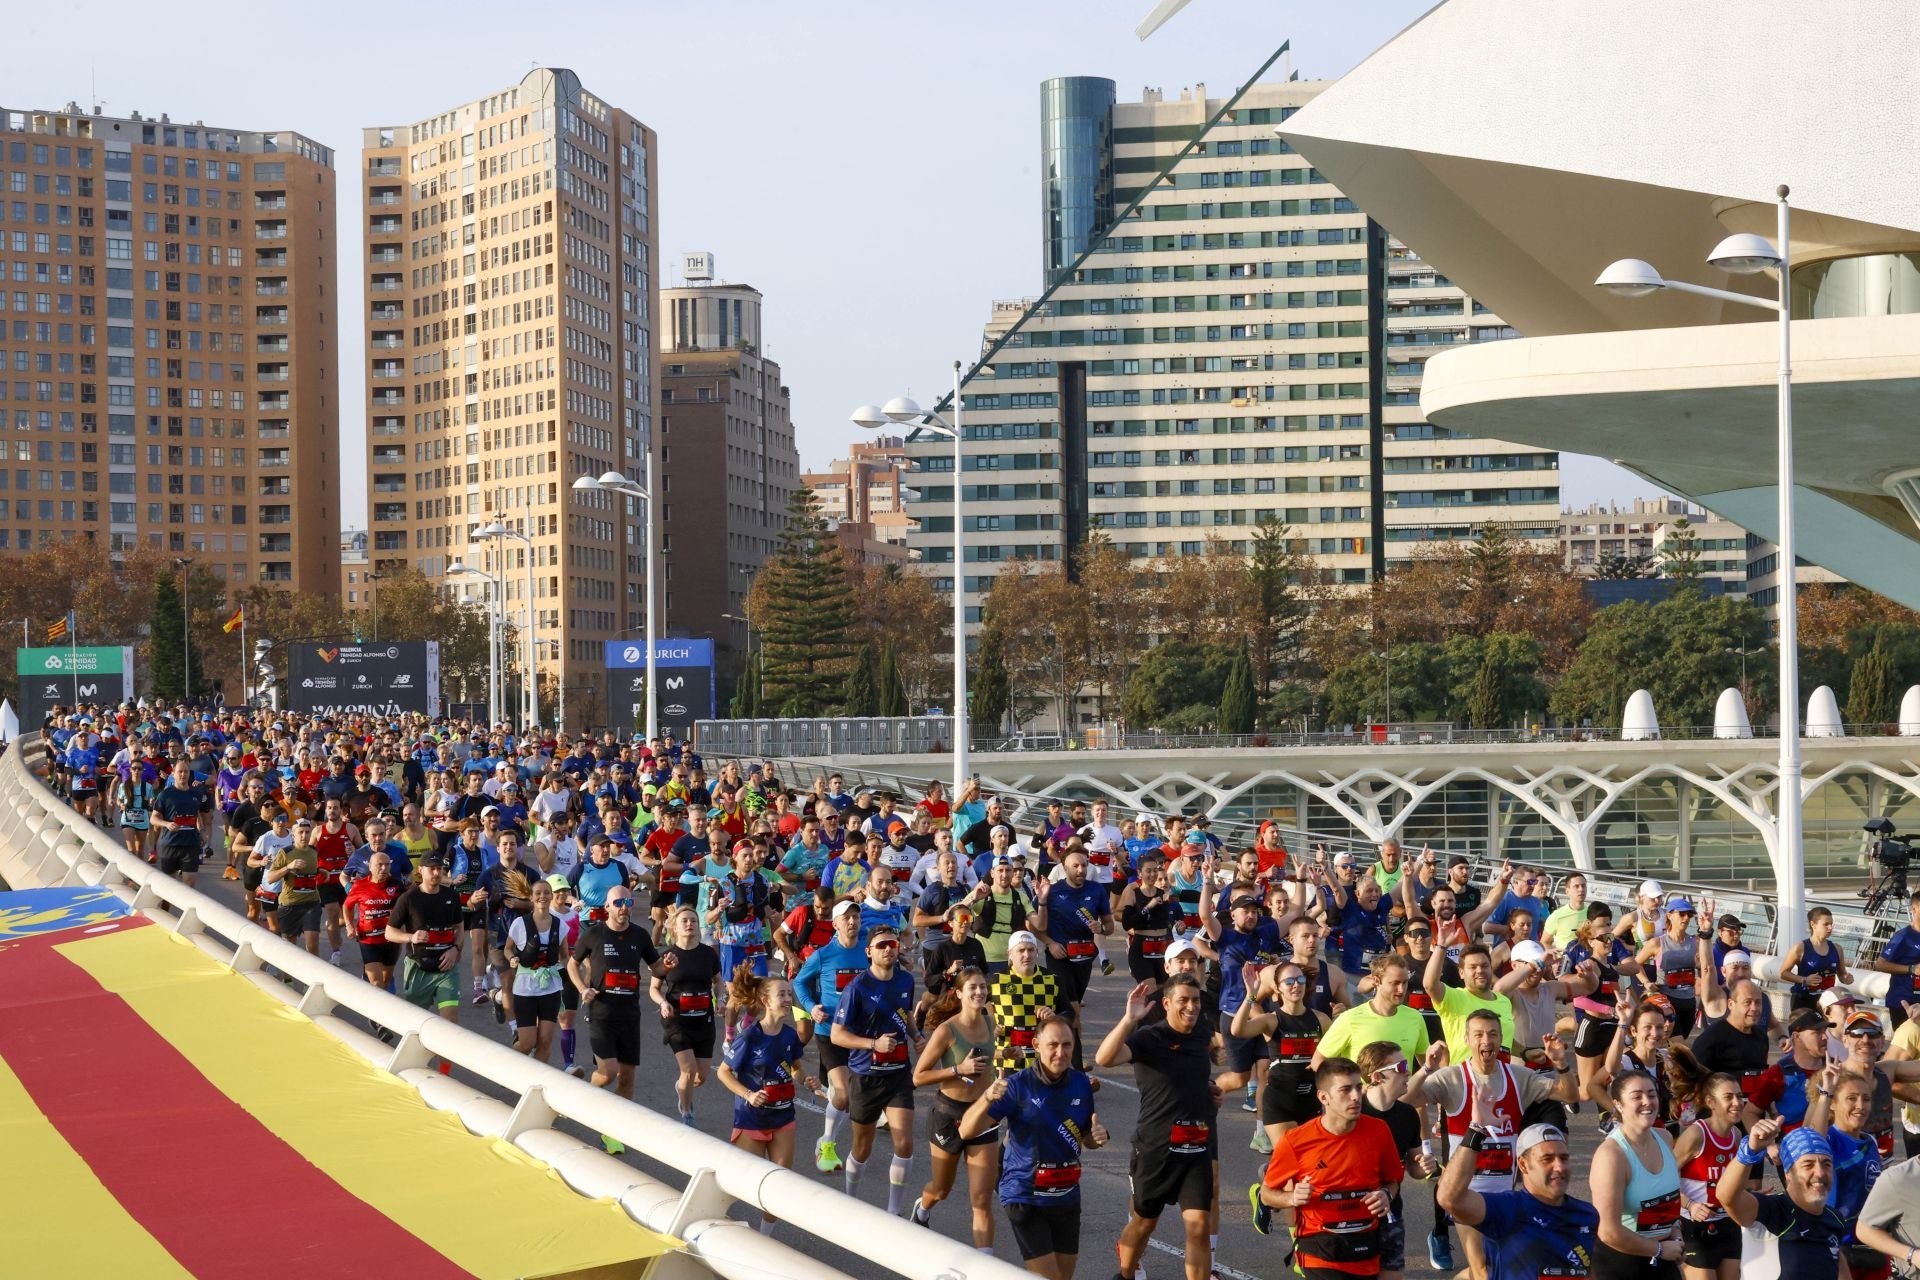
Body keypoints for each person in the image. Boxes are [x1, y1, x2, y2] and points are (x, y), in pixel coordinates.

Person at [1406, 1010, 1580, 1280]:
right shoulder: (1452, 1078)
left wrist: (1561, 1064)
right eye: (1478, 1034)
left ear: (1500, 1039)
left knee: (1496, 1268)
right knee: (1484, 1271)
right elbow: (1405, 1099)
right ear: (1467, 1039)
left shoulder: (1519, 1077)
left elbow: (1569, 1094)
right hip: (1466, 1194)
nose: (1486, 1040)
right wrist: (1427, 1068)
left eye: (1492, 1034)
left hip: (1506, 1198)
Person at [960, 1015, 1103, 1280]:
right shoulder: (1017, 1086)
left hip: (1067, 1195)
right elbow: (966, 1130)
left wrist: (1097, 1137)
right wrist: (986, 1097)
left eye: (1067, 1045)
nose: (1060, 1052)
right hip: (1025, 1194)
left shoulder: (1082, 1084)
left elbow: (1085, 1138)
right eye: (1053, 1045)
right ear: (1036, 1044)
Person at [1098, 975, 1221, 1280]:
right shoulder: (1149, 1038)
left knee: (1199, 1227)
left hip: (1196, 1149)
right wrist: (1129, 1019)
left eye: (1195, 1000)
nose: (1192, 1006)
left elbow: (1186, 1077)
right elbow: (1104, 1058)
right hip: (1156, 1150)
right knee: (1144, 1224)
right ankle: (1125, 1274)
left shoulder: (1201, 1035)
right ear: (1166, 1003)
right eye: (1184, 1000)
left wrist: (1207, 1090)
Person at [1259, 1055, 1406, 1280]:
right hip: (1319, 1248)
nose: (1356, 1096)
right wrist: (1291, 1198)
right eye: (1345, 1090)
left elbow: (1393, 1180)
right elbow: (1268, 1195)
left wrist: (1386, 1194)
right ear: (1323, 1097)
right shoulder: (1296, 1140)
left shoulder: (1379, 1130)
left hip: (1367, 1245)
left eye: (1358, 1087)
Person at [1437, 1106, 1601, 1280]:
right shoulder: (1506, 1209)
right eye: (1547, 1159)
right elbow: (1449, 1198)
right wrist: (1476, 1130)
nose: (1559, 1167)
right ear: (1523, 1164)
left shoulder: (1587, 1214)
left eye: (1564, 1158)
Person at [830, 923, 920, 1215]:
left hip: (898, 1074)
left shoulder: (905, 981)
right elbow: (837, 1035)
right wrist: (873, 1044)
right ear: (869, 952)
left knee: (905, 1143)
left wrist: (916, 1036)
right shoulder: (857, 988)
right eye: (882, 945)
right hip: (866, 1075)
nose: (888, 949)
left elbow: (903, 1014)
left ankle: (893, 1213)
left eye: (892, 944)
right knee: (862, 1148)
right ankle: (850, 1201)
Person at [716, 971, 814, 1237]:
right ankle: (718, 1224)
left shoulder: (790, 1036)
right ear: (765, 1000)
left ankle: (764, 1238)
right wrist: (748, 1095)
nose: (787, 998)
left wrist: (807, 1081)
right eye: (781, 994)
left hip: (783, 1117)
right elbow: (723, 1072)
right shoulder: (749, 1037)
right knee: (743, 1182)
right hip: (752, 1119)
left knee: (779, 1184)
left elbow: (794, 1068)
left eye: (789, 994)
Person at [567, 886, 661, 1154]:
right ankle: (584, 1097)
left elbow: (657, 968)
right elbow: (573, 963)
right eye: (618, 902)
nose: (624, 906)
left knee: (628, 1076)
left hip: (630, 1014)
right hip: (601, 1012)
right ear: (607, 907)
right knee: (607, 1072)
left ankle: (612, 1131)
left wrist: (669, 963)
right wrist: (583, 988)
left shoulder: (640, 935)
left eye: (628, 901)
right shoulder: (595, 933)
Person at [909, 966, 997, 1245]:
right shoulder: (947, 1030)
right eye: (972, 987)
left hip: (983, 1115)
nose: (979, 992)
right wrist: (958, 1069)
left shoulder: (993, 1021)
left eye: (983, 986)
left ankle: (985, 1265)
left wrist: (1006, 1053)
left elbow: (991, 1058)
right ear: (958, 993)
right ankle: (921, 1210)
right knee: (941, 1189)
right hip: (949, 1116)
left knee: (981, 1199)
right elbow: (918, 1076)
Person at [792, 899, 871, 1174]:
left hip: (860, 1032)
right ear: (835, 924)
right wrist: (811, 1006)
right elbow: (799, 981)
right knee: (843, 1093)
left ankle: (829, 1139)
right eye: (846, 918)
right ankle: (827, 1143)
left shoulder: (867, 951)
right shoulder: (823, 955)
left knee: (851, 1096)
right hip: (830, 1032)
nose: (852, 922)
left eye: (855, 917)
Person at [1716, 1117, 1846, 1280]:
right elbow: (1726, 1196)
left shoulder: (1834, 1219)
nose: (1820, 1173)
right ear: (1788, 1174)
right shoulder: (1772, 1210)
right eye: (1808, 1165)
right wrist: (1749, 1151)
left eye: (1826, 1164)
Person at [1589, 1070, 1684, 1280]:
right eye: (1636, 1096)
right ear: (1619, 1105)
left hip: (1664, 1255)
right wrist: (1657, 1250)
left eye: (1651, 1095)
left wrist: (1675, 1232)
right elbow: (1608, 1231)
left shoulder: (1665, 1138)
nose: (1647, 1102)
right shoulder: (1611, 1156)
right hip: (1621, 1263)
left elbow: (1668, 1200)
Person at [1234, 961, 1334, 1159]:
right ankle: (1269, 1188)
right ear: (1277, 988)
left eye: (1300, 979)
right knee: (1289, 1158)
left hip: (1310, 1100)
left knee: (1310, 1161)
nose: (1296, 985)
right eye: (1289, 981)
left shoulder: (1321, 1019)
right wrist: (1250, 995)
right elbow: (1238, 1030)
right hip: (1279, 1102)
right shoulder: (1271, 1020)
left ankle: (1268, 1183)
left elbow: (1333, 1055)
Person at [651, 904, 722, 1127]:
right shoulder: (667, 956)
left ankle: (683, 1087)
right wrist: (663, 1002)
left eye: (693, 920)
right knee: (689, 1070)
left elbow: (718, 981)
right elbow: (653, 988)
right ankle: (687, 1113)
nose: (690, 924)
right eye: (685, 921)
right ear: (675, 926)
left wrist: (719, 999)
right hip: (677, 1020)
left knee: (700, 1076)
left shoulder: (708, 953)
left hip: (704, 1019)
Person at [1672, 1072, 1745, 1280]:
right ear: (1710, 1102)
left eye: (1739, 1096)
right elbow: (1664, 1179)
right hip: (1694, 1227)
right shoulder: (1697, 1135)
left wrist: (1749, 1194)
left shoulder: (1736, 1136)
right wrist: (1690, 1205)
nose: (1737, 1103)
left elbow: (1730, 1181)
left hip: (1728, 1223)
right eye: (1728, 1097)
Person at [386, 852, 465, 1027]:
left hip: (447, 969)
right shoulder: (409, 898)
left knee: (450, 1022)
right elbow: (389, 932)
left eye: (440, 869)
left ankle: (444, 1054)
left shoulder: (451, 896)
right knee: (415, 1023)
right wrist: (411, 937)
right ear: (420, 870)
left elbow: (459, 927)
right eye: (432, 869)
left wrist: (455, 950)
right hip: (419, 967)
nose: (437, 873)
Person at [505, 875, 568, 1063]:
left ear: (552, 897)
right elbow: (508, 949)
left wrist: (566, 971)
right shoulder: (520, 924)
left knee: (545, 1040)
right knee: (527, 1042)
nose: (543, 896)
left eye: (547, 893)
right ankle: (508, 1066)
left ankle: (537, 1081)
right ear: (531, 898)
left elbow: (565, 955)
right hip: (525, 987)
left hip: (551, 986)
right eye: (538, 893)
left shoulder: (560, 925)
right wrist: (513, 959)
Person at [1425, 941, 1514, 1062]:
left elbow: (1506, 1039)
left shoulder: (1504, 1001)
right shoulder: (1454, 997)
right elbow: (1430, 985)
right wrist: (1442, 946)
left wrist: (1525, 1051)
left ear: (1491, 969)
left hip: (1501, 1077)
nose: (1480, 970)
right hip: (1464, 1079)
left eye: (1484, 966)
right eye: (1473, 967)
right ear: (1461, 973)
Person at [1635, 896, 1709, 1040]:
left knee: (1678, 1044)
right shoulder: (1657, 943)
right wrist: (1645, 982)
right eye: (1681, 914)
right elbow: (1635, 964)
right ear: (1669, 915)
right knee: (1677, 1043)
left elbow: (1704, 967)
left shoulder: (1696, 941)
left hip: (1689, 1001)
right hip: (1666, 1001)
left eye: (1689, 914)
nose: (1686, 918)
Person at [992, 931, 1062, 1074]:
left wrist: (1055, 1017)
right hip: (1007, 1062)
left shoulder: (1053, 979)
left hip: (1043, 1061)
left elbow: (1070, 1015)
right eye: (1021, 950)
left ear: (1037, 952)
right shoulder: (995, 980)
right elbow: (974, 1012)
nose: (1027, 955)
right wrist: (988, 1026)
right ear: (1010, 953)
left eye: (1031, 950)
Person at [343, 849, 402, 989]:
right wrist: (349, 925)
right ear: (369, 866)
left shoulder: (397, 885)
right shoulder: (359, 885)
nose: (384, 868)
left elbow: (408, 908)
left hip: (391, 940)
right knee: (376, 982)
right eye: (379, 865)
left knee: (385, 982)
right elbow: (347, 906)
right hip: (368, 939)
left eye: (387, 865)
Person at [1117, 855, 1180, 982]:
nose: (1153, 874)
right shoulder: (1133, 894)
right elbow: (1126, 924)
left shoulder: (1163, 893)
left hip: (1162, 947)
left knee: (1162, 992)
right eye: (1148, 871)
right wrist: (1147, 907)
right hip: (1141, 949)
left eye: (1155, 870)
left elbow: (1189, 898)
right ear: (1140, 873)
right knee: (1149, 989)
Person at [270, 815, 326, 956]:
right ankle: (287, 978)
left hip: (311, 903)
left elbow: (310, 870)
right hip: (290, 905)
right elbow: (270, 878)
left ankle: (314, 977)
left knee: (313, 944)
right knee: (290, 947)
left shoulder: (314, 851)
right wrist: (288, 867)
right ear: (293, 834)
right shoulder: (286, 852)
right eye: (300, 832)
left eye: (307, 832)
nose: (304, 836)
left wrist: (320, 871)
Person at [1780, 907, 1852, 1012]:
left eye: (1831, 924)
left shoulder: (1837, 949)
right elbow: (1783, 973)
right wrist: (1804, 980)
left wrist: (1847, 978)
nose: (1830, 928)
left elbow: (1841, 974)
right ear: (1813, 924)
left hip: (1827, 1003)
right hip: (1803, 1001)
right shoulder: (1800, 948)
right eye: (1826, 924)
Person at [154, 757, 212, 886]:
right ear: (173, 774)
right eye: (180, 771)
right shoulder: (165, 795)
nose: (183, 774)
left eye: (186, 771)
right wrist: (167, 824)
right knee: (167, 887)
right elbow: (154, 818)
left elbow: (196, 814)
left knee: (189, 884)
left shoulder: (195, 794)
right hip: (170, 844)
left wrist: (202, 831)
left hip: (191, 844)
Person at [1872, 890, 1920, 1030]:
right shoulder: (1903, 936)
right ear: (1914, 909)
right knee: (1905, 1049)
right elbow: (1879, 964)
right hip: (1904, 1003)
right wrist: (1911, 969)